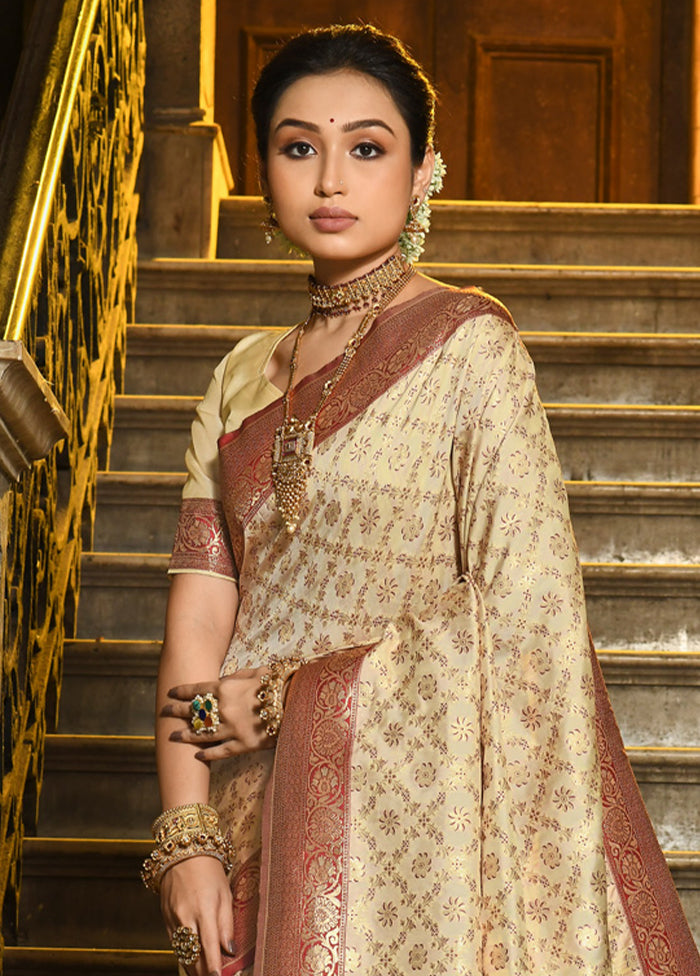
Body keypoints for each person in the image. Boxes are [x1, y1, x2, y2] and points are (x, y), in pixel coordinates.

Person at [142, 24, 700, 976]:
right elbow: (199, 628)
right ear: (267, 176)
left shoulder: (472, 352)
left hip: (429, 844)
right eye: (297, 147)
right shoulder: (237, 381)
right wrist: (186, 837)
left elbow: (525, 620)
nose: (329, 181)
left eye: (366, 148)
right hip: (254, 835)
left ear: (422, 172)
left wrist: (285, 700)